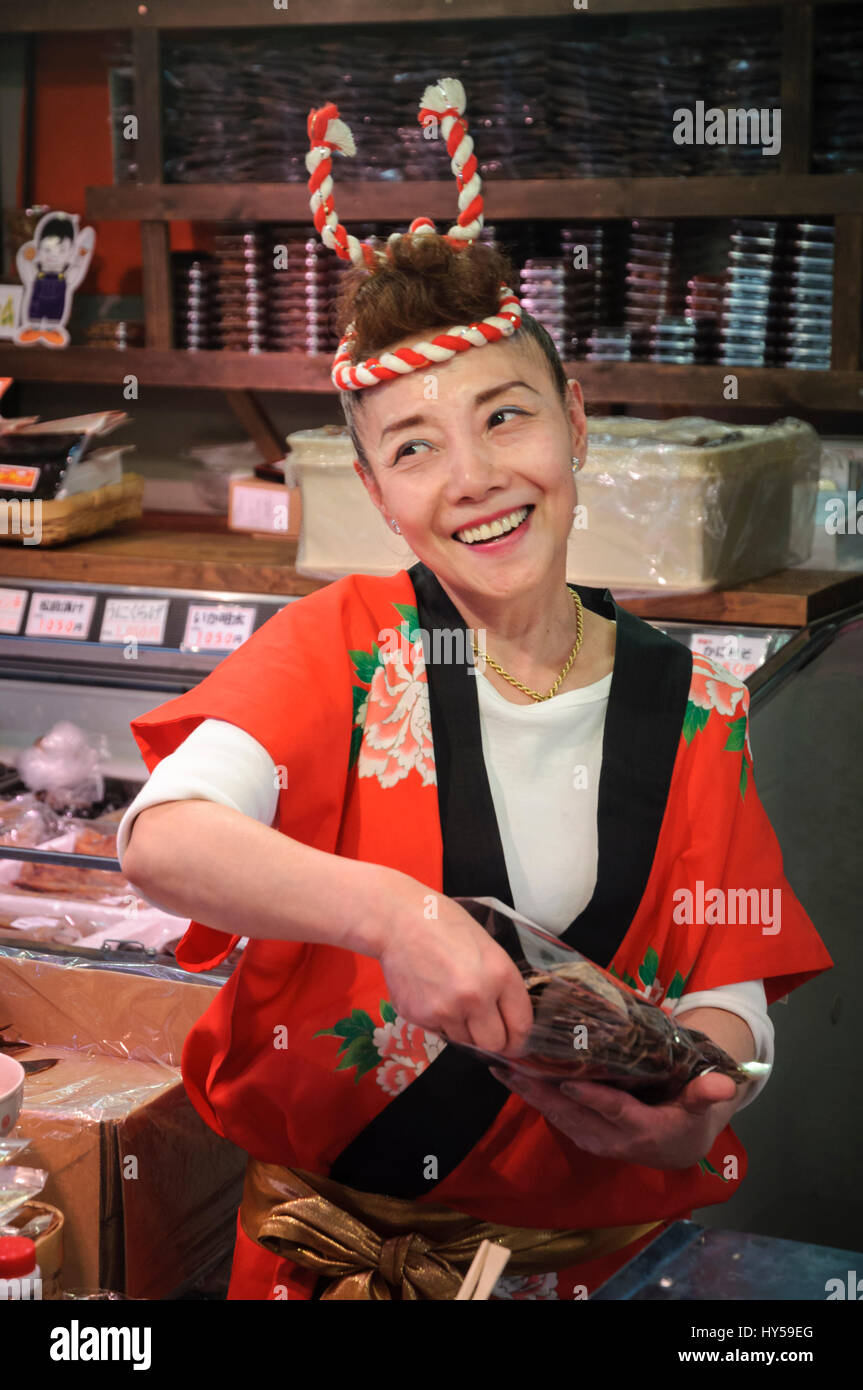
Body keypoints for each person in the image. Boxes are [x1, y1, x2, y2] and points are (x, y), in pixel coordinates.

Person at [119, 79, 832, 1301]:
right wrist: (395, 916)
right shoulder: (338, 648)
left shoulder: (693, 700)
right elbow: (162, 839)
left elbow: (730, 993)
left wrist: (690, 1109)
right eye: (412, 446)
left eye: (505, 418)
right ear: (378, 492)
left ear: (573, 423)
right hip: (318, 1270)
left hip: (582, 1278)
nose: (471, 479)